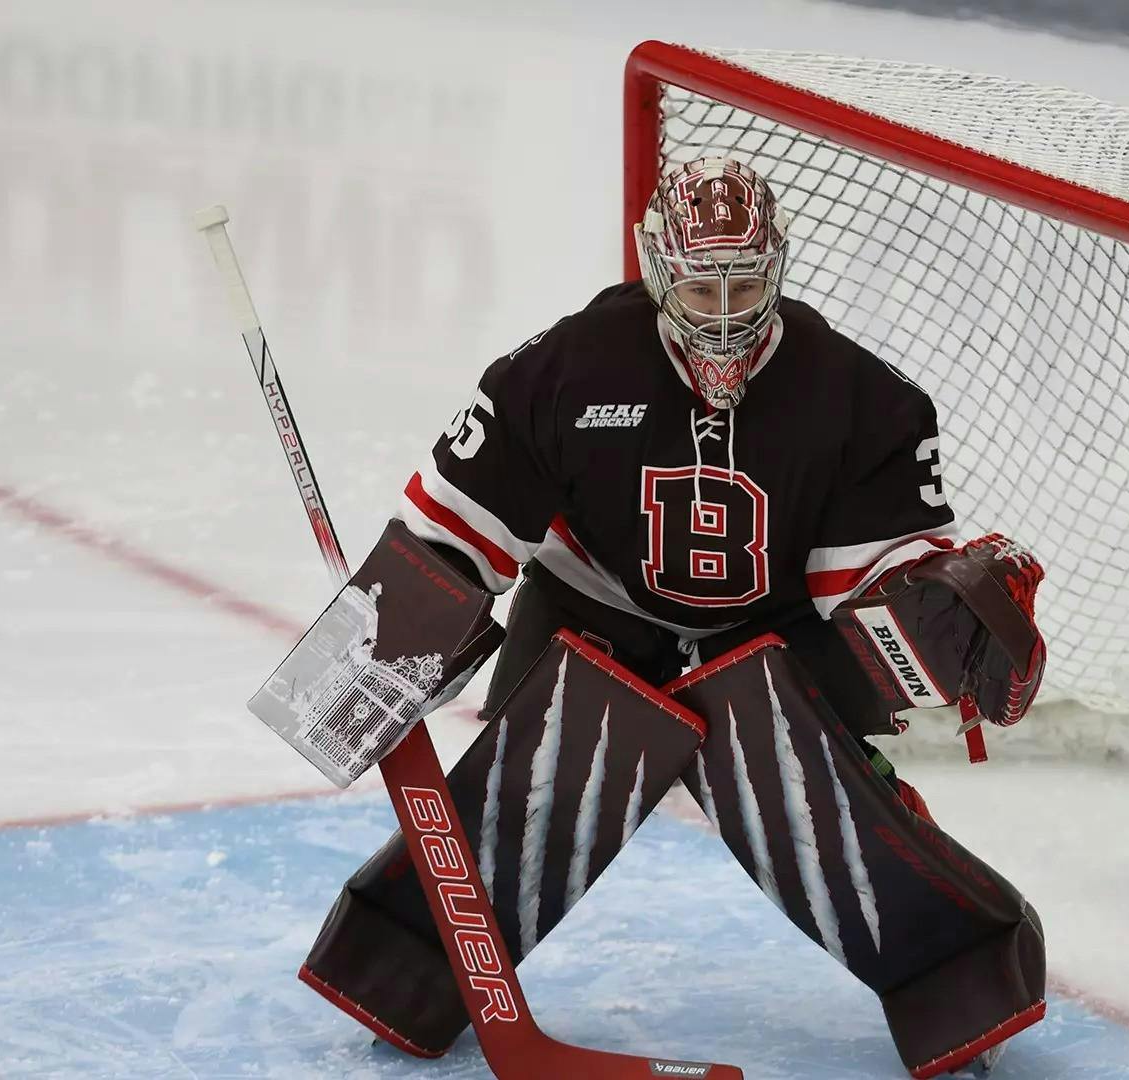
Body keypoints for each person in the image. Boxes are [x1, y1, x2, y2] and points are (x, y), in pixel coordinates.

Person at [400, 156, 991, 814]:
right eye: (701, 292)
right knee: (522, 805)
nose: (724, 318)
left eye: (743, 287)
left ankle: (894, 852)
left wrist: (946, 619)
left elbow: (875, 589)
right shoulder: (564, 371)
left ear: (777, 267)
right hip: (596, 611)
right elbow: (453, 532)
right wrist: (393, 641)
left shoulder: (861, 400)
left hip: (771, 632)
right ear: (659, 274)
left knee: (830, 807)